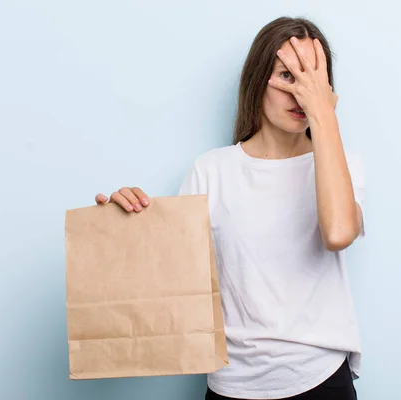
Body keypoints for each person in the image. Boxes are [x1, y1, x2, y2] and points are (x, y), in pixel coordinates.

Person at [95, 16, 365, 400]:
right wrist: (123, 220)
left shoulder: (342, 164)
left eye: (312, 80)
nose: (301, 94)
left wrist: (324, 116)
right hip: (232, 385)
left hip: (319, 379)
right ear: (259, 81)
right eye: (288, 76)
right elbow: (168, 285)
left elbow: (338, 233)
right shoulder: (210, 170)